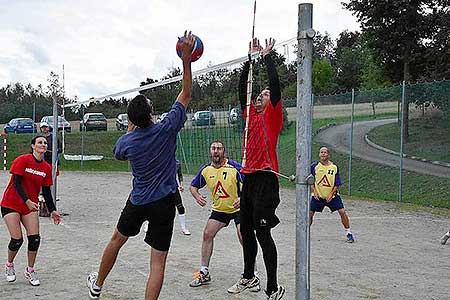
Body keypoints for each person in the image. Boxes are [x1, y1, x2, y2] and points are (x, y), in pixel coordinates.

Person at [86, 30, 195, 300]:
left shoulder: (128, 142)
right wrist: (186, 59)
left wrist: (132, 130)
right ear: (151, 114)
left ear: (132, 120)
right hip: (164, 203)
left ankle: (97, 285)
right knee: (157, 263)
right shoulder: (167, 128)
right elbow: (186, 91)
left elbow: (119, 153)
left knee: (116, 240)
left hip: (139, 201)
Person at [228, 38, 285, 300]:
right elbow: (242, 89)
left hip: (266, 179)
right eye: (258, 96)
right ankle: (249, 277)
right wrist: (248, 59)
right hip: (249, 179)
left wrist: (267, 58)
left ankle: (272, 288)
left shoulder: (271, 115)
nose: (259, 98)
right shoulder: (249, 115)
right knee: (246, 230)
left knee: (263, 232)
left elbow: (274, 88)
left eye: (262, 96)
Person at [188, 141, 259, 291]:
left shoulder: (234, 167)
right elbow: (193, 186)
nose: (216, 151)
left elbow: (252, 184)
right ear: (210, 151)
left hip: (239, 208)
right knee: (207, 234)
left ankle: (253, 274)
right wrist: (197, 195)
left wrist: (243, 198)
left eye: (219, 149)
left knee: (243, 235)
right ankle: (204, 272)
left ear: (224, 152)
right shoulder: (206, 170)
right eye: (213, 148)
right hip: (220, 209)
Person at [1, 135, 61, 286]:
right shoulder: (23, 160)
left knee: (34, 239)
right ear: (33, 146)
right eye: (40, 142)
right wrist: (27, 200)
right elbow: (16, 183)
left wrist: (53, 210)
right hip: (12, 203)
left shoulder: (46, 167)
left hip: (30, 207)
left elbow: (46, 192)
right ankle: (9, 265)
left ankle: (30, 269)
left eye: (45, 143)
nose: (43, 144)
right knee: (17, 240)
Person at [309, 147, 355, 243]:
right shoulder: (314, 166)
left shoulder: (334, 167)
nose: (323, 154)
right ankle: (305, 232)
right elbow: (310, 180)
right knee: (309, 214)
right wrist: (314, 191)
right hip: (318, 196)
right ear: (319, 154)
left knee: (342, 212)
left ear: (328, 155)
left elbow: (337, 183)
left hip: (332, 196)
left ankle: (348, 233)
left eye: (325, 152)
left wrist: (331, 193)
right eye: (321, 152)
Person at [142, 159, 190, 235]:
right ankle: (148, 223)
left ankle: (184, 228)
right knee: (155, 206)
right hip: (161, 187)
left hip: (173, 187)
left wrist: (181, 185)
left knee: (180, 207)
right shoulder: (162, 160)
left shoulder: (177, 163)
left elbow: (179, 175)